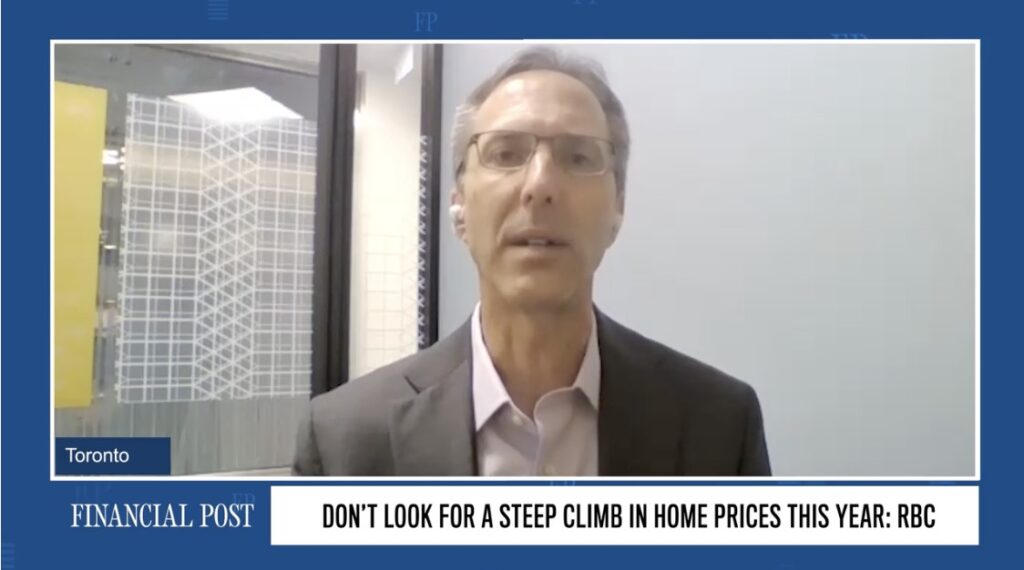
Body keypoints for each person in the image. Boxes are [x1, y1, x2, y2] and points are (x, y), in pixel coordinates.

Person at [293, 47, 771, 476]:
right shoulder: (344, 443)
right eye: (505, 153)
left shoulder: (720, 426)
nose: (540, 185)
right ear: (459, 204)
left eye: (578, 157)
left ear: (618, 208)